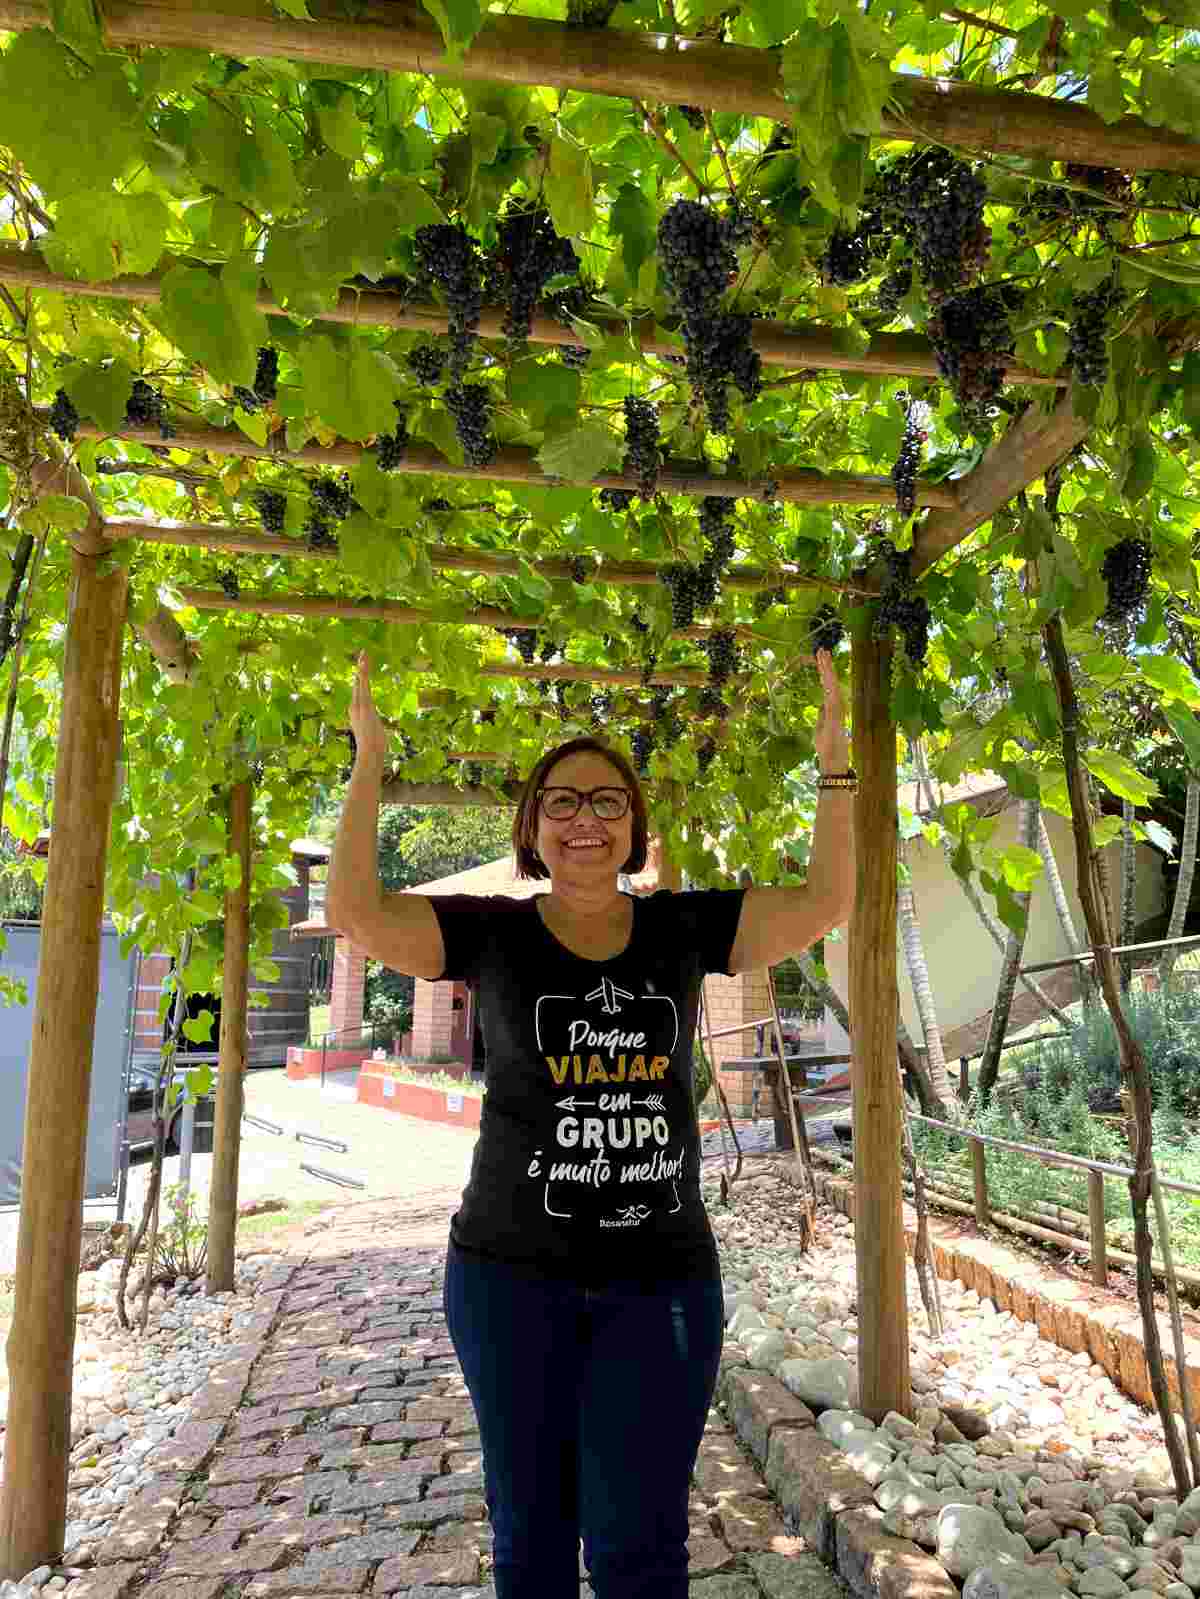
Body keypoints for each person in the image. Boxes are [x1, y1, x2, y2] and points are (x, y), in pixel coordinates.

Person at [326, 648, 856, 1599]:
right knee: (529, 1541)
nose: (585, 818)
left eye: (608, 800)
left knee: (641, 1550)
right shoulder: (489, 931)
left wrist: (834, 765)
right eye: (562, 801)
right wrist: (368, 766)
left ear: (636, 827)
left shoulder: (684, 929)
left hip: (660, 1291)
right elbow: (356, 909)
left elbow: (826, 899)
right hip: (507, 1283)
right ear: (533, 825)